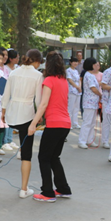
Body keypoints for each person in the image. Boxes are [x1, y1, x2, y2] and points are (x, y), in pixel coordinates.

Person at [28, 52, 72, 202]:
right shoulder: (63, 80)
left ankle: (47, 192)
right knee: (54, 157)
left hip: (54, 124)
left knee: (44, 158)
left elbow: (43, 103)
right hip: (65, 124)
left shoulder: (49, 80)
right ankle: (63, 189)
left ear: (48, 64)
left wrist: (33, 123)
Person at [1, 49, 43, 198]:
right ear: (37, 61)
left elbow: (6, 94)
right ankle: (23, 189)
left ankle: (18, 148)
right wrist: (39, 116)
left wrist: (3, 111)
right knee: (27, 155)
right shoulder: (38, 75)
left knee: (22, 142)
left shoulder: (14, 73)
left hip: (12, 113)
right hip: (27, 114)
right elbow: (38, 100)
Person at [78, 58, 102, 149]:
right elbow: (93, 88)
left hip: (93, 102)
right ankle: (82, 141)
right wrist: (100, 95)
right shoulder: (89, 75)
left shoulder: (90, 75)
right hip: (89, 102)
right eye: (95, 64)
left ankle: (89, 139)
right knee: (87, 122)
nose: (97, 65)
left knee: (92, 123)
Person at [66, 57, 82, 129]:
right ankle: (69, 123)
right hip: (72, 91)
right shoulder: (68, 70)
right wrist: (77, 87)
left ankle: (75, 123)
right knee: (70, 107)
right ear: (70, 62)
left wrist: (79, 87)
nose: (75, 63)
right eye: (74, 62)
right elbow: (70, 80)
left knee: (76, 108)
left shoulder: (76, 71)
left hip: (78, 91)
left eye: (76, 62)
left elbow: (79, 80)